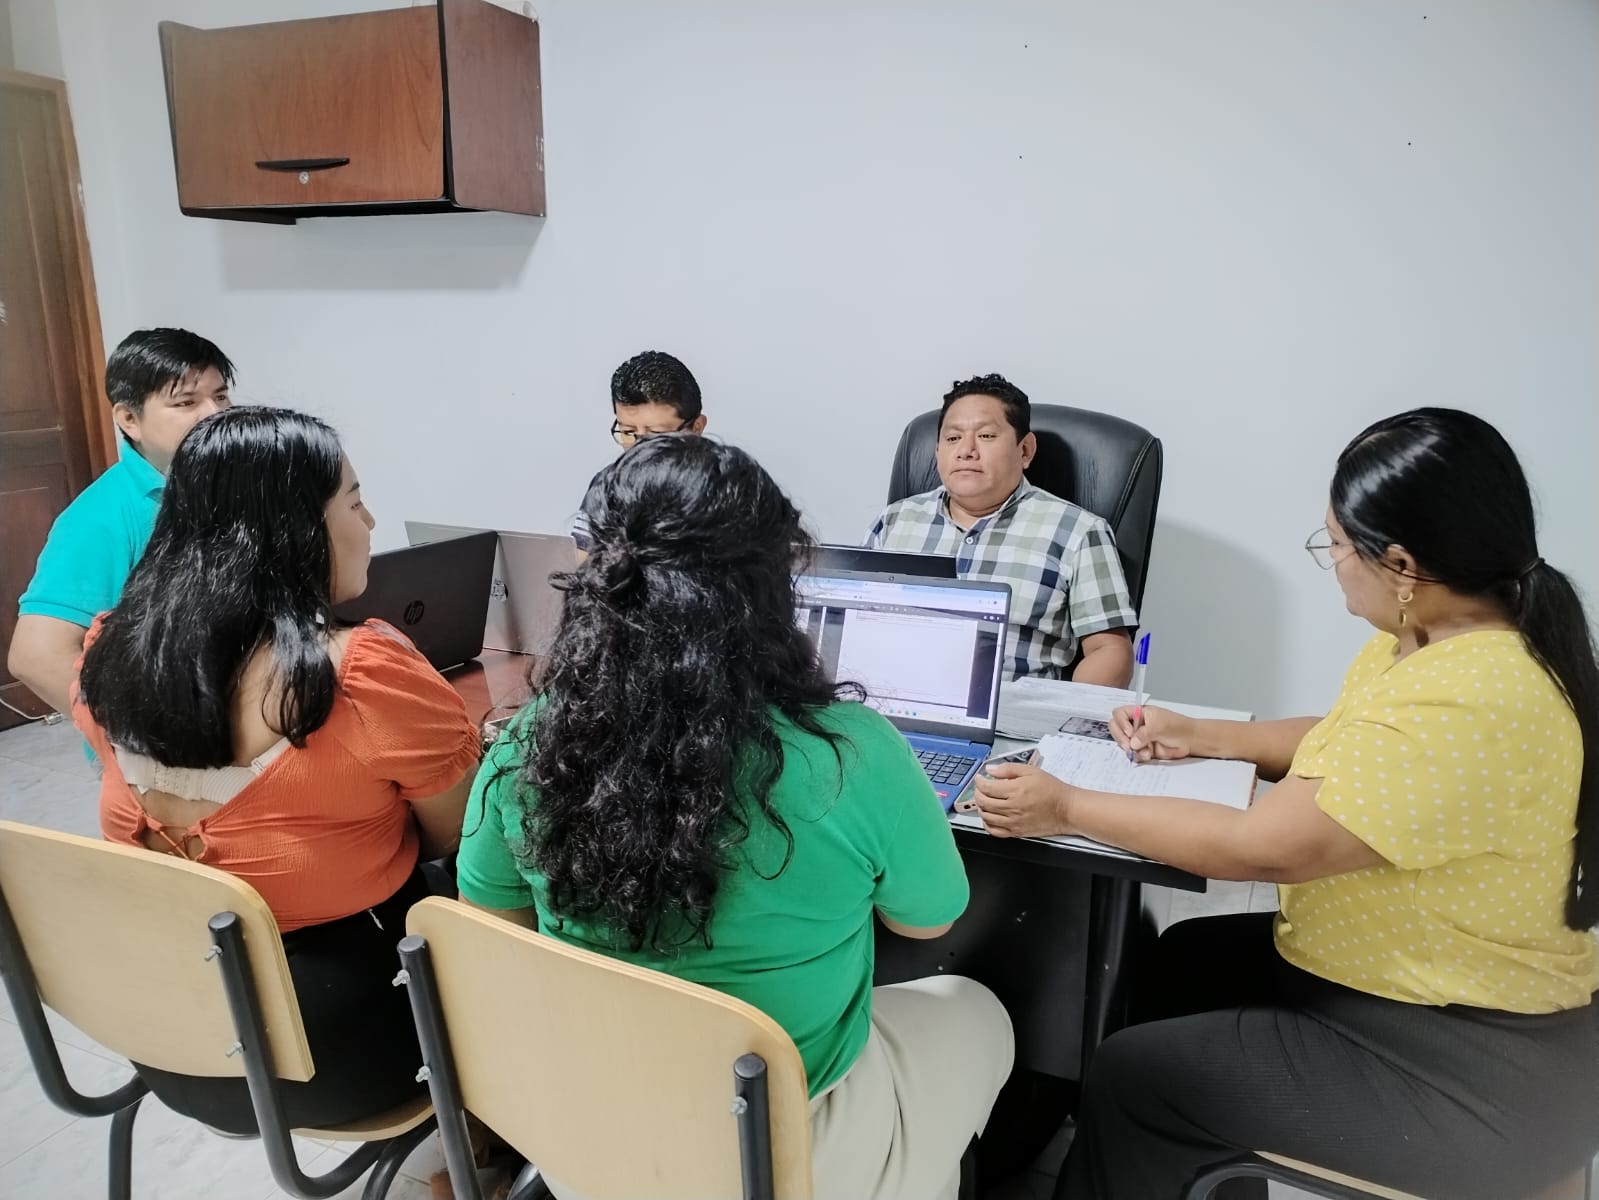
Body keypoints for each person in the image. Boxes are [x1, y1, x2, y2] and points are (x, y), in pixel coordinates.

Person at [973, 408, 1599, 1199]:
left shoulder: (1473, 697)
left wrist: (1066, 807)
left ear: (1401, 566)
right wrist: (1201, 734)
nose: (1331, 562)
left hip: (1466, 1060)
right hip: (1399, 987)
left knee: (1136, 1075)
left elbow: (1261, 846)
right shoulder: (1430, 639)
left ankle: (1139, 1140)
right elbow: (1347, 739)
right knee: (1177, 962)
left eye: (1334, 545)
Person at [459, 435, 1014, 1200]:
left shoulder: (528, 744)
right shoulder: (852, 753)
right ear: (770, 583)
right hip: (787, 1149)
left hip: (590, 1139)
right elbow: (927, 923)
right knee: (977, 1012)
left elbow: (495, 924)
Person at [75, 407, 481, 1134]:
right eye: (354, 501)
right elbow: (458, 833)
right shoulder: (359, 673)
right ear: (295, 530)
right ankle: (495, 1150)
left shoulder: (107, 652)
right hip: (342, 1052)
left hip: (169, 1038)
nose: (370, 522)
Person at [11, 328, 235, 718]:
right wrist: (136, 738)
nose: (214, 415)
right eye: (186, 402)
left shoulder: (229, 480)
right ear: (130, 419)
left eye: (220, 396)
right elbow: (35, 656)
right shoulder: (98, 518)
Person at [865, 373, 1137, 686]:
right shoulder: (894, 522)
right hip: (895, 701)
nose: (966, 450)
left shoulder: (1078, 531)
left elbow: (1108, 650)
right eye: (952, 439)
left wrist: (1062, 714)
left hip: (1011, 712)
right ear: (937, 450)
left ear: (1025, 451)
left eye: (986, 436)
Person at [568, 349, 707, 554]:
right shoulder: (608, 487)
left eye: (656, 434)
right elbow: (586, 564)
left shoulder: (725, 490)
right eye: (628, 432)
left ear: (696, 428)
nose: (640, 447)